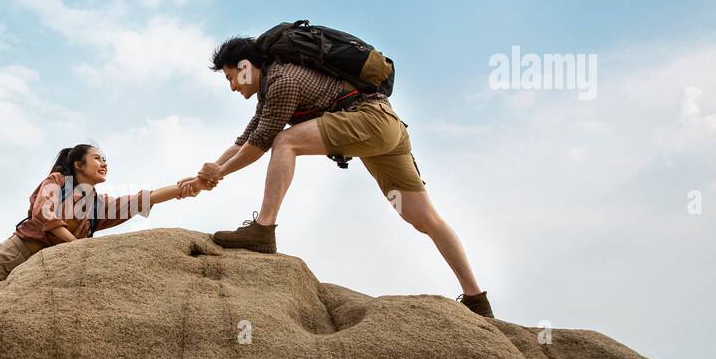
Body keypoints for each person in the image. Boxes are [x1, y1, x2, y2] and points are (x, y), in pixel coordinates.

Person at [179, 35, 495, 318]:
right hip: (385, 127)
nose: (232, 86)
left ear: (246, 66)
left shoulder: (283, 81)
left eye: (231, 77)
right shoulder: (272, 88)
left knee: (285, 142)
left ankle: (263, 229)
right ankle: (476, 299)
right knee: (424, 217)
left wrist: (219, 172)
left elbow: (261, 143)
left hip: (369, 120)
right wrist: (209, 171)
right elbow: (247, 136)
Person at [0, 144, 198, 290]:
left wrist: (185, 188)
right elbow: (44, 213)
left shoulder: (96, 205)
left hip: (40, 270)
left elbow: (143, 199)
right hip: (13, 256)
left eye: (105, 159)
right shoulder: (58, 181)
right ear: (79, 164)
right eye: (98, 158)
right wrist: (78, 247)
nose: (104, 163)